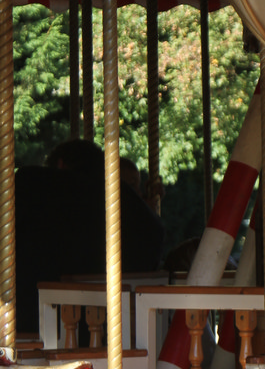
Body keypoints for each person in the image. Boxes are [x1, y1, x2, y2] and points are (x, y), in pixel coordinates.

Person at [15, 139, 166, 335]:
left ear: (60, 164)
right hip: (123, 330)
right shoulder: (131, 203)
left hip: (37, 323)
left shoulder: (33, 185)